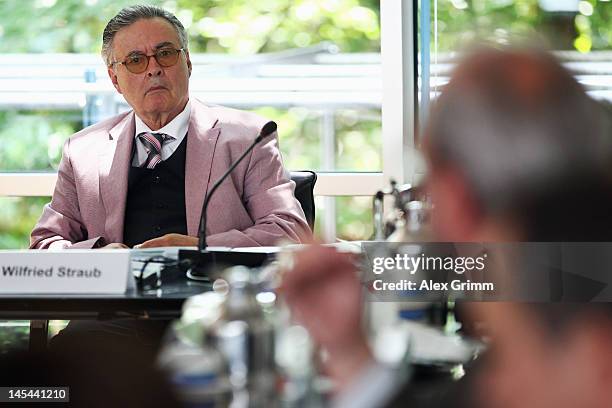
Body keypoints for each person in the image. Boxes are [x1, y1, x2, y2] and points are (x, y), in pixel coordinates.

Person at [283, 47, 612, 408]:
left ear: (456, 197)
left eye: (429, 178)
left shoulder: (566, 365)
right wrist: (351, 354)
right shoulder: (560, 310)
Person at [30, 4, 310, 250]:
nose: (153, 69)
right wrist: (99, 257)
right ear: (115, 79)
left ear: (187, 62)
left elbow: (289, 231)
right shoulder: (83, 151)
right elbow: (46, 242)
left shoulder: (249, 138)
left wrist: (202, 247)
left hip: (211, 301)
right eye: (136, 60)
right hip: (116, 305)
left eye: (165, 54)